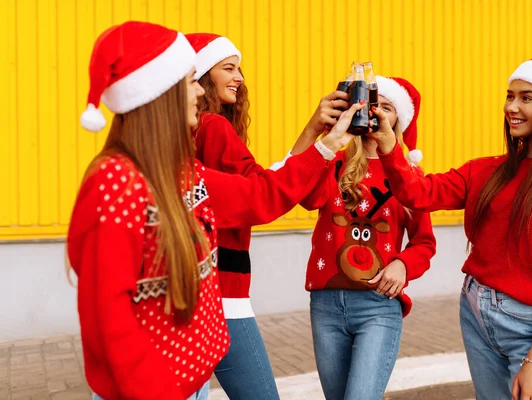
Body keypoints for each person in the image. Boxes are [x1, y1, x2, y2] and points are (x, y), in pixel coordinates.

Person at [67, 21, 365, 400]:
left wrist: (327, 145)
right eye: (192, 80)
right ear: (160, 94)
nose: (198, 92)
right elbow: (107, 318)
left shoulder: (184, 175)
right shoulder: (115, 182)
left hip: (190, 381)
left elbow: (260, 195)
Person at [369, 50, 532, 400]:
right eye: (510, 96)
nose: (511, 107)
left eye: (526, 98)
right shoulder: (487, 170)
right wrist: (389, 147)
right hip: (476, 312)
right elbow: (420, 193)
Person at [185, 32, 352, 400]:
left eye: (239, 69)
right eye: (228, 68)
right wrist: (324, 145)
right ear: (199, 78)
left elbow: (257, 188)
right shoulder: (214, 127)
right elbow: (261, 194)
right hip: (223, 295)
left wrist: (311, 132)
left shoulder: (189, 136)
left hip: (197, 291)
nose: (239, 78)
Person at [298, 76, 436, 400]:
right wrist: (324, 132)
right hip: (326, 304)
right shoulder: (334, 164)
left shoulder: (409, 176)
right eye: (374, 107)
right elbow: (305, 196)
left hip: (378, 307)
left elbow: (425, 242)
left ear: (397, 121)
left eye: (388, 109)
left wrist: (403, 265)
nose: (379, 116)